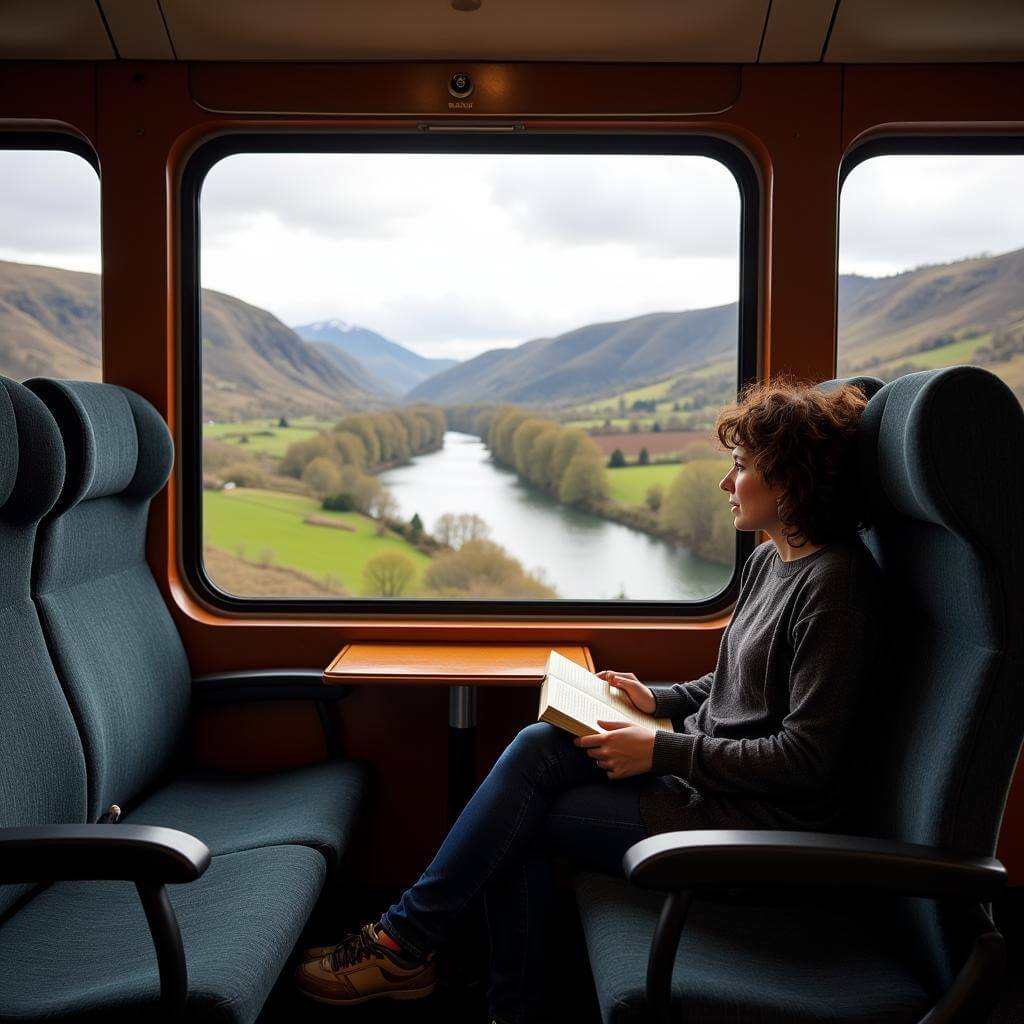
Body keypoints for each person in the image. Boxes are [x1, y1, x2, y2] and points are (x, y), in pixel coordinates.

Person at [294, 375, 885, 1024]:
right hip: (711, 794)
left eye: (742, 468)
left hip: (757, 832)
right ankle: (422, 956)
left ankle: (419, 956)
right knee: (541, 742)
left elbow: (806, 759)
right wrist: (652, 696)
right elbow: (731, 690)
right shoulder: (772, 561)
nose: (725, 484)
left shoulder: (839, 587)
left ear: (795, 481)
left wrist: (659, 750)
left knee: (520, 823)